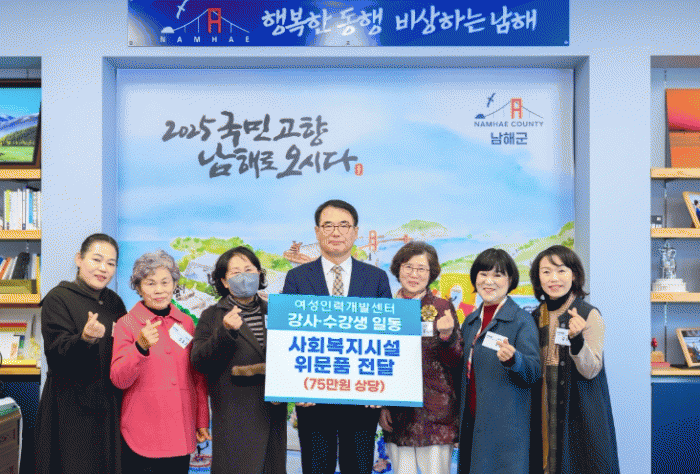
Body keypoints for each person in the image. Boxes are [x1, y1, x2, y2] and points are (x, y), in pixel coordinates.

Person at [282, 199, 392, 474]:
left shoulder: (376, 278)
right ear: (317, 232)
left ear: (355, 232)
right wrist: (295, 388)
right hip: (312, 396)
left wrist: (383, 389)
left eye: (344, 225)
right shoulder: (296, 278)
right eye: (328, 225)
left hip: (363, 396)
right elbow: (287, 336)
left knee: (358, 466)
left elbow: (386, 338)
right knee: (316, 467)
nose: (336, 232)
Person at [110, 250, 210, 473]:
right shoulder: (127, 323)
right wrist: (139, 347)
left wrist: (202, 419)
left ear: (174, 284)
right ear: (138, 288)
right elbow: (118, 379)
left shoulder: (186, 323)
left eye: (165, 282)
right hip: (141, 432)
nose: (159, 290)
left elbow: (197, 377)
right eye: (150, 283)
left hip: (180, 430)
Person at [35, 233, 127, 474]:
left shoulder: (115, 302)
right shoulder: (58, 298)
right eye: (96, 259)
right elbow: (56, 352)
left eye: (111, 263)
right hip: (69, 407)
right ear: (79, 259)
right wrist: (84, 338)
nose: (103, 268)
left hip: (107, 403)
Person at [191, 246, 287, 474]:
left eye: (249, 269)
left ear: (259, 274)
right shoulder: (212, 316)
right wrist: (225, 332)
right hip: (235, 415)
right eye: (235, 272)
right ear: (224, 281)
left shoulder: (277, 312)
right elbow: (199, 361)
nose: (244, 276)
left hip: (273, 413)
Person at [529, 245, 619, 474]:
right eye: (546, 272)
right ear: (538, 279)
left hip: (578, 408)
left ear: (575, 275)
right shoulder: (535, 316)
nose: (554, 278)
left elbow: (592, 369)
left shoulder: (589, 314)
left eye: (561, 270)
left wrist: (577, 340)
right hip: (543, 405)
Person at [379, 241, 463, 474]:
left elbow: (456, 361)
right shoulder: (385, 308)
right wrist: (382, 406)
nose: (414, 274)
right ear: (398, 269)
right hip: (397, 414)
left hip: (436, 414)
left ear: (431, 273)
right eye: (408, 267)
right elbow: (378, 362)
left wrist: (447, 337)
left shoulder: (442, 307)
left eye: (421, 269)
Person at [457, 248, 540, 474]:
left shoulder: (521, 320)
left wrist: (514, 359)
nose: (489, 281)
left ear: (510, 280)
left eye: (498, 275)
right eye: (483, 274)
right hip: (472, 422)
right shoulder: (470, 321)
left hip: (505, 429)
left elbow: (534, 371)